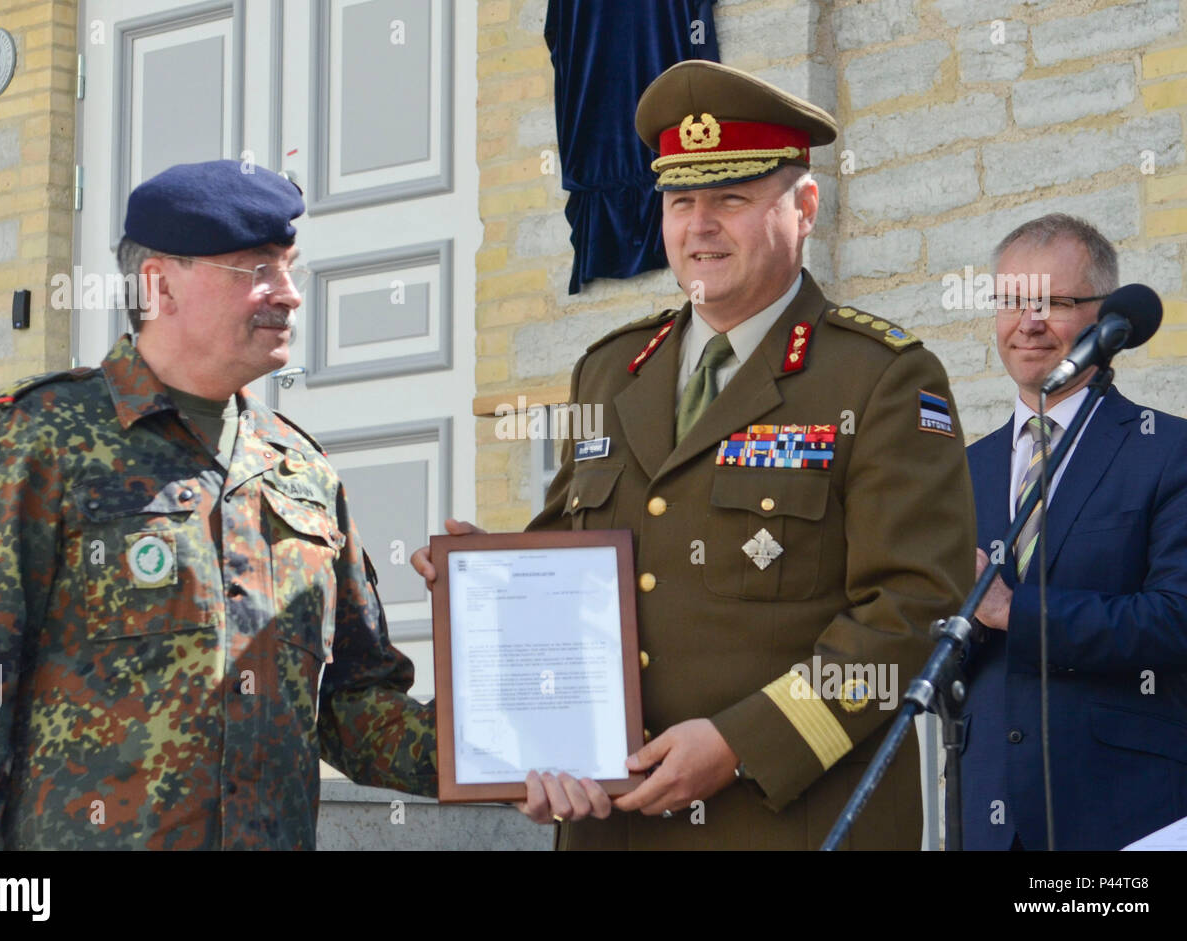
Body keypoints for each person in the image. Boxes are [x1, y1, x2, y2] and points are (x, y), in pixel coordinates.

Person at [414, 61, 976, 849]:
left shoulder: (880, 376)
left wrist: (746, 740)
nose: (698, 226)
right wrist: (492, 587)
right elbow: (574, 565)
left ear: (804, 206)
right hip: (614, 824)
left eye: (731, 199)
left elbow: (914, 612)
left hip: (788, 820)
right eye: (681, 200)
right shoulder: (609, 370)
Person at [0, 159, 437, 850]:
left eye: (290, 266)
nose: (290, 293)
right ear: (159, 285)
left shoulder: (301, 471)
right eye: (257, 271)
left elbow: (353, 704)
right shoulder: (48, 438)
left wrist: (505, 748)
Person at [961, 213, 1187, 851]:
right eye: (1013, 302)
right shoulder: (958, 472)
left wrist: (1015, 611)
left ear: (1105, 318)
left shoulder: (1173, 450)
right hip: (981, 812)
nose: (1029, 322)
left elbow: (1185, 622)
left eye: (1056, 302)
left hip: (1125, 810)